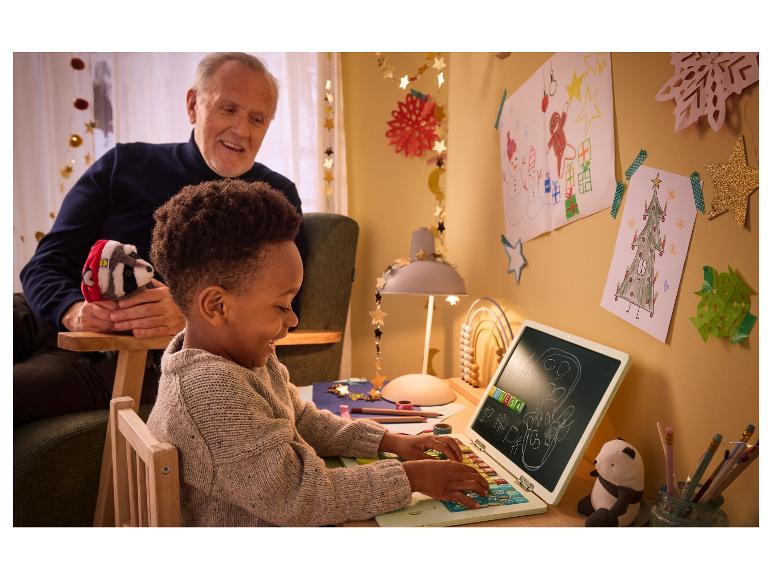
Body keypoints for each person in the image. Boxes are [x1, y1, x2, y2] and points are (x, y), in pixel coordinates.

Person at [147, 179, 489, 526]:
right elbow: (303, 498)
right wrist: (413, 478)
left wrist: (388, 440)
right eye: (282, 305)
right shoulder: (210, 392)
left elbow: (302, 420)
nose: (292, 319)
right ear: (217, 306)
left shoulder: (238, 360)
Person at [14, 53, 307, 427]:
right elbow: (45, 263)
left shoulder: (275, 198)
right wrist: (72, 311)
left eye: (256, 118)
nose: (241, 130)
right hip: (45, 316)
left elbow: (287, 304)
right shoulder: (122, 164)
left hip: (133, 355)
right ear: (192, 105)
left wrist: (190, 317)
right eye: (228, 109)